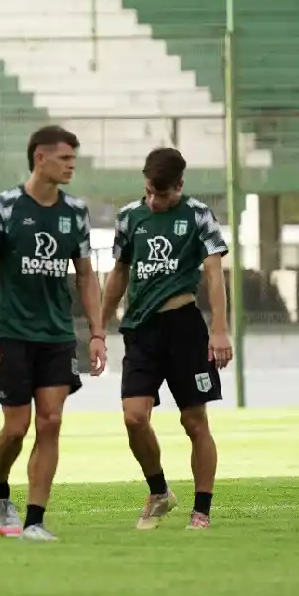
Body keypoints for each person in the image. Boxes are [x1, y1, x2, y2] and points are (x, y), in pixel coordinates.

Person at [0, 126, 105, 542]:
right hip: (10, 333)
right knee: (16, 427)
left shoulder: (76, 213)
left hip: (57, 336)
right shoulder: (4, 207)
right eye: (65, 159)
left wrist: (98, 333)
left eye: (73, 159)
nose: (71, 166)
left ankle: (34, 520)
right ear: (40, 158)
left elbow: (85, 277)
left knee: (50, 421)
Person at [101, 147, 230, 530]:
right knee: (134, 417)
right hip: (141, 330)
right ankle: (159, 492)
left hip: (185, 328)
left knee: (194, 421)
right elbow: (118, 274)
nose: (155, 201)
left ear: (180, 186)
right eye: (150, 193)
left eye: (164, 195)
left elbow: (213, 273)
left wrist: (220, 329)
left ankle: (201, 510)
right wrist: (99, 328)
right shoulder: (129, 217)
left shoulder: (197, 215)